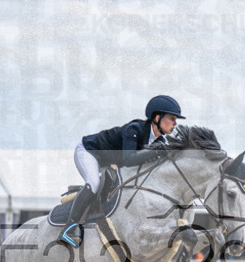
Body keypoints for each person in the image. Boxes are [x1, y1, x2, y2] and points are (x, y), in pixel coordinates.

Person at [60, 95, 186, 247]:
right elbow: (129, 159)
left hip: (108, 160)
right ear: (157, 117)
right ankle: (69, 227)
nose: (175, 123)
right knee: (94, 183)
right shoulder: (135, 129)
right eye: (171, 118)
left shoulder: (160, 142)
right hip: (89, 152)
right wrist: (157, 153)